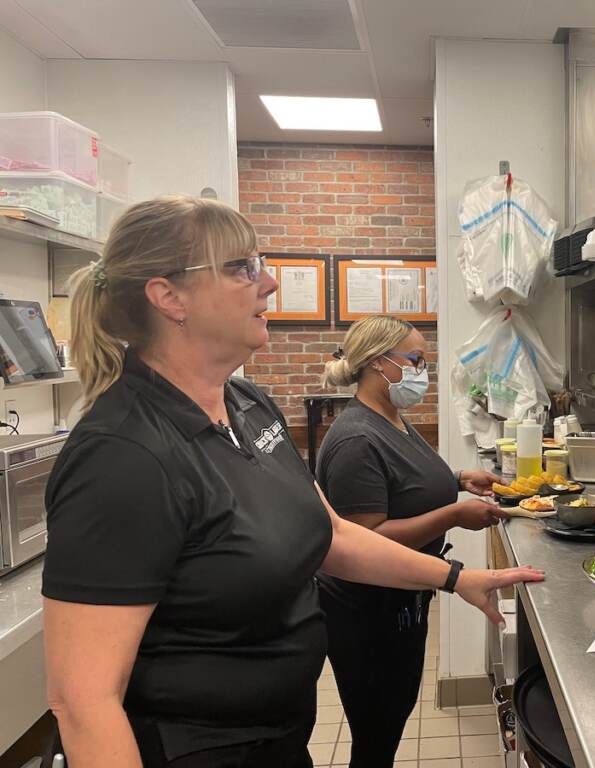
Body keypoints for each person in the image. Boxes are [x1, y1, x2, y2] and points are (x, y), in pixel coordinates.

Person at [41, 196, 543, 768]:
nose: (271, 283)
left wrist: (456, 578)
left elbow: (328, 532)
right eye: (242, 267)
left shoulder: (248, 404)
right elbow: (82, 701)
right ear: (169, 296)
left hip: (278, 739)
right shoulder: (122, 456)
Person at [316, 316, 507, 768]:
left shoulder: (392, 419)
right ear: (380, 364)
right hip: (367, 612)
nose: (424, 371)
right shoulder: (356, 439)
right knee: (377, 729)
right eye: (417, 360)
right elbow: (365, 539)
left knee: (394, 711)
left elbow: (404, 480)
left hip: (402, 598)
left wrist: (459, 479)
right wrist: (455, 515)